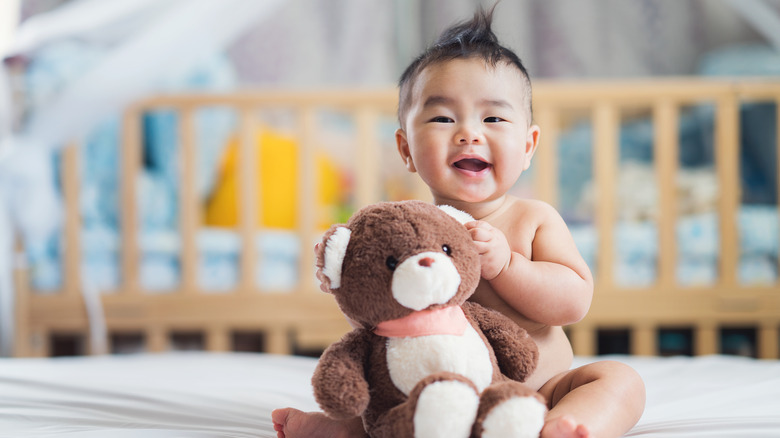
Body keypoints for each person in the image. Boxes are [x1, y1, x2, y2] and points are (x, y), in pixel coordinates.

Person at [273, 6, 645, 438]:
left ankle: (560, 428)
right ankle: (326, 429)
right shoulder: (407, 229)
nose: (469, 133)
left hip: (539, 392)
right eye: (442, 118)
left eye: (493, 118)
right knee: (373, 410)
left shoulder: (532, 219)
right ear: (406, 148)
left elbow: (573, 302)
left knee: (618, 380)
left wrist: (509, 268)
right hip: (432, 398)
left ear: (528, 145)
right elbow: (383, 319)